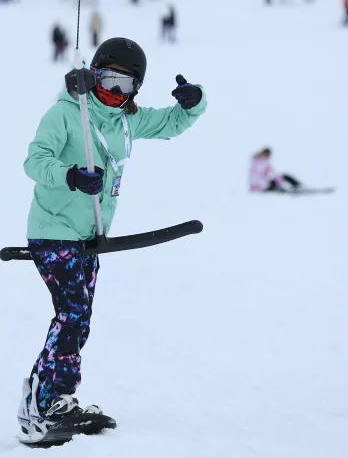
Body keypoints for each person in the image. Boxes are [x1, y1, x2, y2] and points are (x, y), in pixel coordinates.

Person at [17, 37, 206, 440]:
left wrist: (194, 101)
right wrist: (69, 175)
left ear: (136, 88)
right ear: (93, 74)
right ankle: (46, 403)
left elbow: (171, 123)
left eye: (125, 85)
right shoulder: (67, 114)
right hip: (53, 231)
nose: (113, 92)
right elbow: (35, 160)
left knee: (78, 320)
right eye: (107, 80)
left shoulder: (126, 120)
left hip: (90, 236)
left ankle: (50, 400)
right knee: (72, 312)